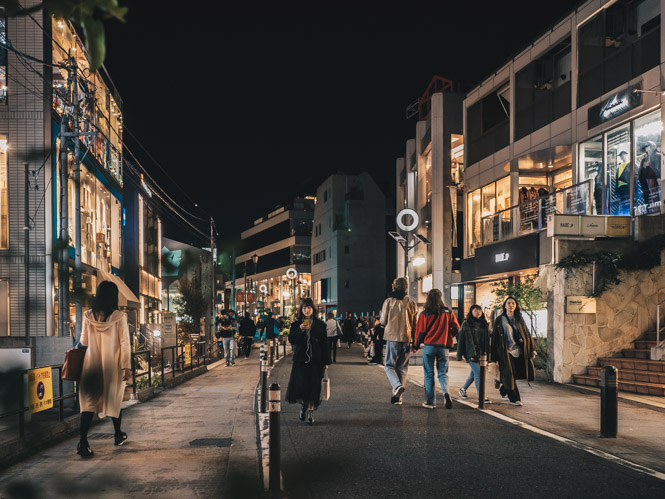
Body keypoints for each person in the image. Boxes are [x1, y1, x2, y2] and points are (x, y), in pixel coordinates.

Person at [77, 281, 131, 457]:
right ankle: (117, 434)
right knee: (114, 399)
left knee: (88, 404)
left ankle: (83, 442)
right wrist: (126, 367)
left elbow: (83, 342)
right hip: (111, 367)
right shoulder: (119, 317)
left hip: (91, 366)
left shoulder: (87, 316)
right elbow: (124, 344)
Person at [286, 298, 331, 425]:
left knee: (314, 386)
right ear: (301, 310)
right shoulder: (295, 324)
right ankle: (304, 407)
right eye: (304, 308)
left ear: (313, 309)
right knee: (301, 385)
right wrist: (300, 329)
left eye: (309, 308)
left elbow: (324, 344)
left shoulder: (321, 324)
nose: (307, 310)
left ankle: (310, 413)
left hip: (316, 360)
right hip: (300, 360)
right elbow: (292, 340)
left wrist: (326, 361)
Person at [412, 289, 459, 409]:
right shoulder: (448, 312)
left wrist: (416, 345)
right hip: (443, 346)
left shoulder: (425, 314)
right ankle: (446, 393)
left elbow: (420, 332)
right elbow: (457, 327)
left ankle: (430, 402)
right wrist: (449, 335)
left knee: (429, 374)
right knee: (443, 373)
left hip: (429, 346)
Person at [490, 296, 537, 406]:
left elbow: (527, 334)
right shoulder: (500, 320)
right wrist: (494, 357)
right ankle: (514, 398)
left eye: (513, 303)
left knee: (515, 374)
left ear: (516, 306)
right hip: (505, 351)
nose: (511, 305)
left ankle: (503, 390)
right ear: (505, 305)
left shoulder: (519, 319)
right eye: (509, 303)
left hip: (519, 350)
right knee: (509, 373)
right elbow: (496, 338)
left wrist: (532, 349)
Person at [380, 277, 418, 405]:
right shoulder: (411, 302)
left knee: (389, 366)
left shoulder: (389, 301)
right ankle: (398, 398)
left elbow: (383, 320)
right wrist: (415, 341)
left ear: (394, 286)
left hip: (393, 337)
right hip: (407, 338)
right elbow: (414, 324)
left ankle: (396, 386)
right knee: (402, 367)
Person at [457, 304, 490, 402]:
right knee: (478, 373)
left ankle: (462, 389)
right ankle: (481, 397)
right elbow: (461, 339)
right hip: (471, 352)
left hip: (482, 353)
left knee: (474, 374)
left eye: (479, 310)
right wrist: (460, 354)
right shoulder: (466, 324)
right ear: (471, 312)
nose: (478, 312)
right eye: (475, 310)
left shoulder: (484, 324)